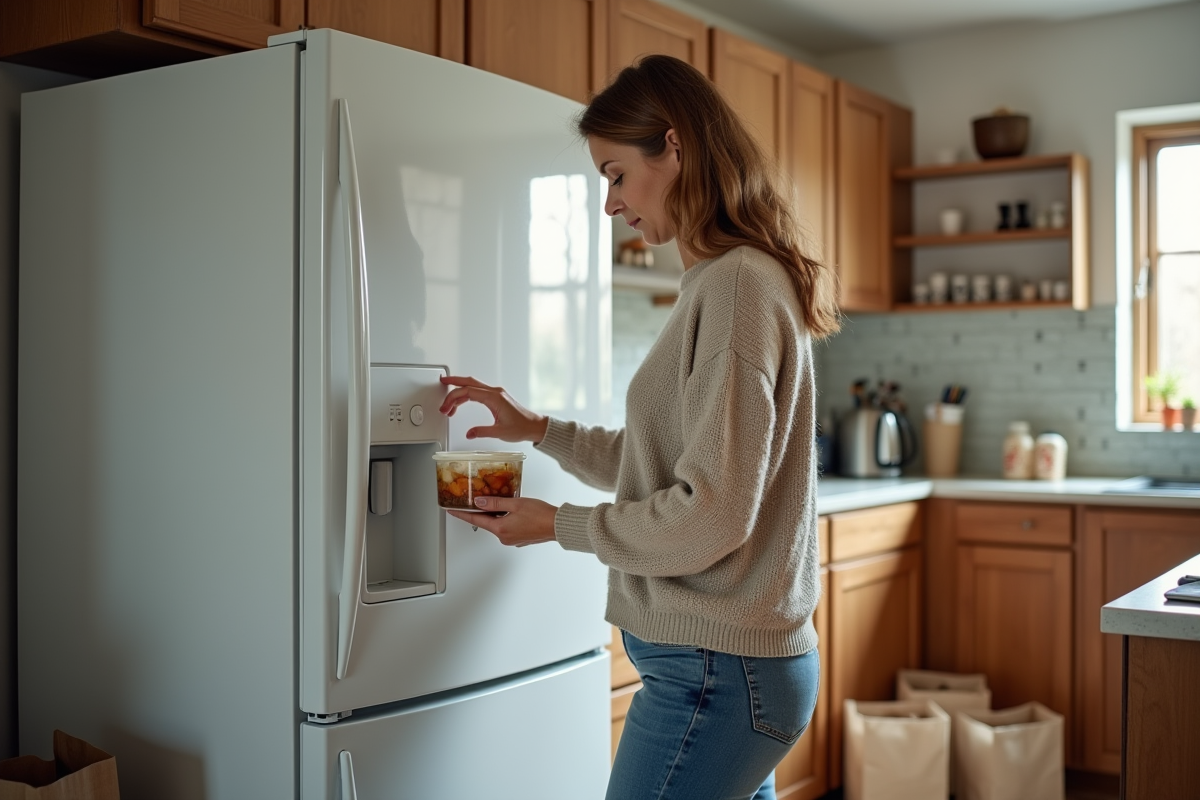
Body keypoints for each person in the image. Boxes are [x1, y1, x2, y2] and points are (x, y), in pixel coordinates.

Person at [438, 54, 841, 800]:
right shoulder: (728, 283)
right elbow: (664, 462)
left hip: (717, 678)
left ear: (675, 146)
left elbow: (711, 513)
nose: (609, 204)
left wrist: (560, 525)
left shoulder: (737, 289)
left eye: (616, 174)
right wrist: (537, 428)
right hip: (727, 673)